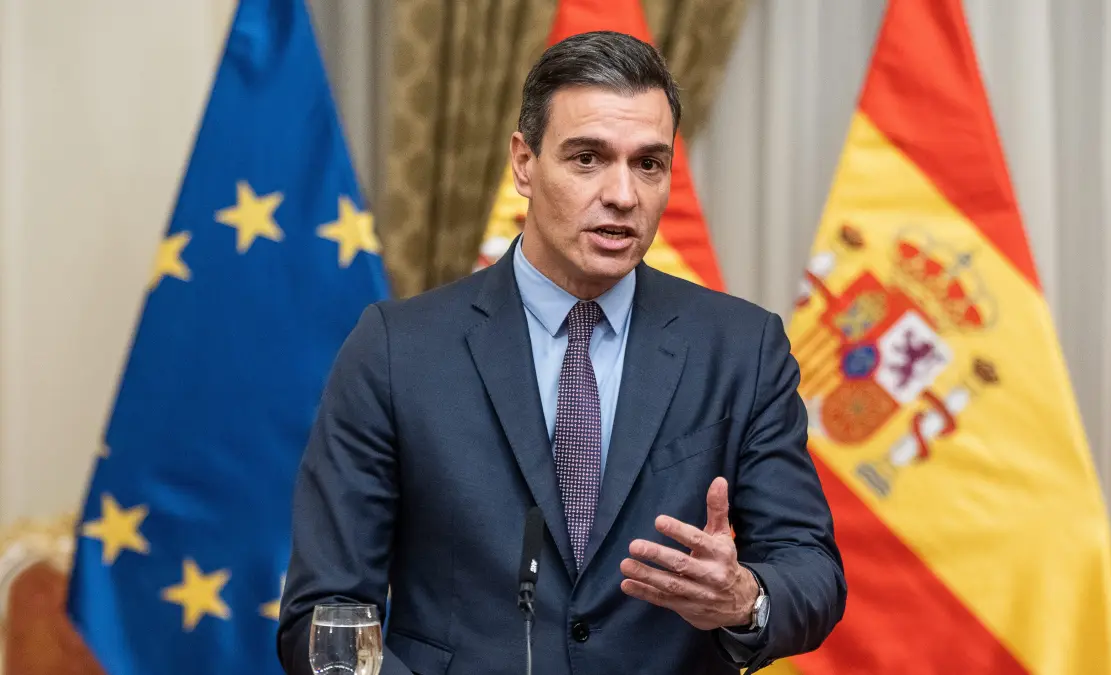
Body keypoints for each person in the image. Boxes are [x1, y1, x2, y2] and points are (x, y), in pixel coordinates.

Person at [277, 30, 846, 675]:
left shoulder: (741, 348)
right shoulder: (395, 349)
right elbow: (325, 614)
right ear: (524, 162)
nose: (623, 195)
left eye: (649, 164)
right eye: (587, 158)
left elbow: (812, 571)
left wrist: (745, 598)